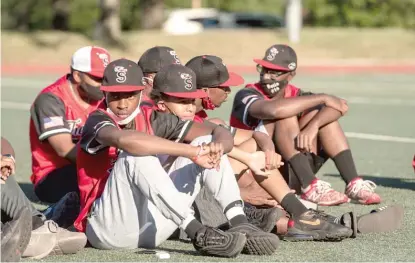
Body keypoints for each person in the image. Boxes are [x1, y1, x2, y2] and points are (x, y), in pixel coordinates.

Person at [74, 59, 280, 257]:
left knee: (204, 141)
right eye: (116, 95)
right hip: (107, 229)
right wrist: (193, 153)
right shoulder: (97, 118)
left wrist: (215, 147)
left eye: (129, 95)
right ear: (104, 93)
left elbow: (219, 132)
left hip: (153, 227)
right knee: (135, 154)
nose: (122, 103)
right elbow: (128, 141)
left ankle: (240, 222)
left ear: (140, 92)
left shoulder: (152, 116)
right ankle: (200, 233)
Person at [150, 62, 353, 242]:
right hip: (180, 206)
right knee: (265, 211)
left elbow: (253, 136)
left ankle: (300, 212)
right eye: (223, 87)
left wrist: (267, 150)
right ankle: (288, 214)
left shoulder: (196, 121)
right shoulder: (155, 122)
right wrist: (246, 179)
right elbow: (273, 112)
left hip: (210, 191)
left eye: (191, 99)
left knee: (232, 140)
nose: (190, 106)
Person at [230, 44, 381, 206]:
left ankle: (353, 183)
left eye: (274, 72)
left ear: (291, 75)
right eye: (264, 69)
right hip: (254, 175)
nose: (267, 76)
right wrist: (322, 97)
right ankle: (309, 185)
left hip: (285, 169)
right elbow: (274, 110)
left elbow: (340, 106)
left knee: (323, 117)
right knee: (285, 115)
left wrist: (313, 126)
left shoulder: (296, 95)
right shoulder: (247, 94)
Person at [29, 46, 110, 204]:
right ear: (77, 75)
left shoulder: (105, 98)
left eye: (106, 78)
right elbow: (65, 149)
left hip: (91, 164)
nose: (103, 84)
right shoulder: (51, 100)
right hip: (53, 176)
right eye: (97, 78)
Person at [1, 137, 87, 260]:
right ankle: (32, 232)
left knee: (1, 172)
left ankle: (32, 228)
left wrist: (7, 158)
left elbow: (2, 142)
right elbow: (64, 148)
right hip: (48, 178)